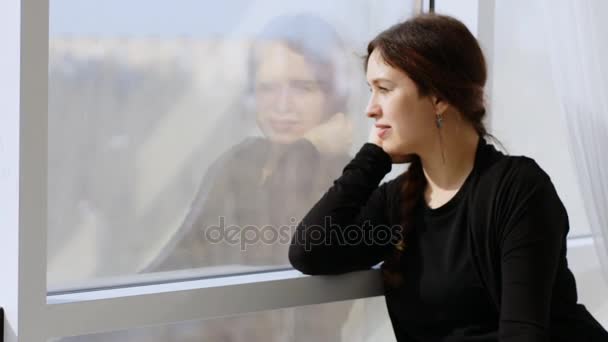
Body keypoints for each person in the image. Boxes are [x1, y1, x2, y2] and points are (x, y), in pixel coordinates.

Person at [289, 13, 608, 341]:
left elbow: (522, 335)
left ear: (439, 98)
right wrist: (371, 160)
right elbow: (309, 251)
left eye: (384, 89)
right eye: (370, 90)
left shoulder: (518, 189)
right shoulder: (397, 203)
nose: (370, 109)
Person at [142, 13, 354, 341]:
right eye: (267, 87)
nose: (282, 105)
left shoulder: (349, 180)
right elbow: (178, 262)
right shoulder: (238, 162)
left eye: (303, 87)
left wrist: (306, 149)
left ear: (335, 97)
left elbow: (307, 312)